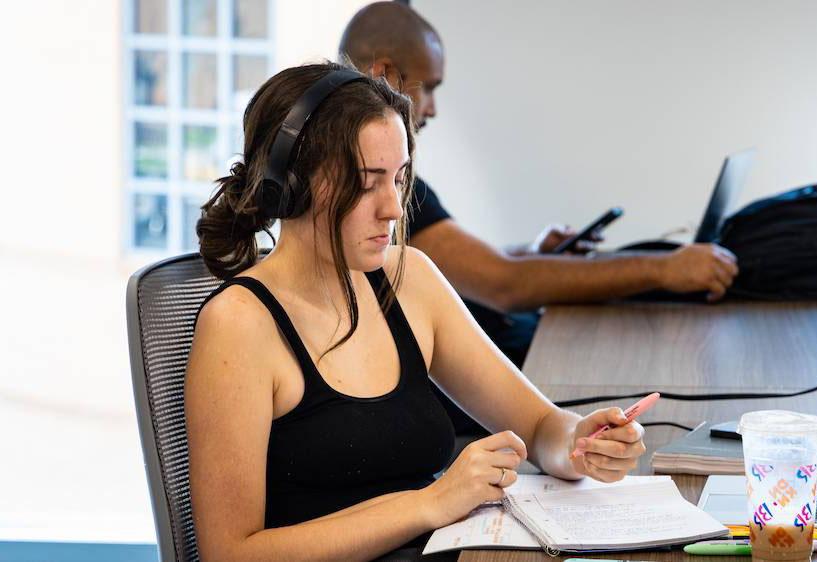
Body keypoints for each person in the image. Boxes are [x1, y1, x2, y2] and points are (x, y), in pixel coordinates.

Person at [186, 62, 647, 561]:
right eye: (367, 183)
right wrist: (429, 504)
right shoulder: (239, 325)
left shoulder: (410, 279)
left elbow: (539, 427)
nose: (392, 207)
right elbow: (229, 553)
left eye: (400, 179)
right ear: (292, 187)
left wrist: (581, 444)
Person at [339, 2, 740, 372]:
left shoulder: (388, 178)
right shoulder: (369, 186)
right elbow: (505, 284)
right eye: (429, 87)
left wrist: (529, 253)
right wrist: (665, 270)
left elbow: (467, 268)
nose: (432, 109)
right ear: (385, 75)